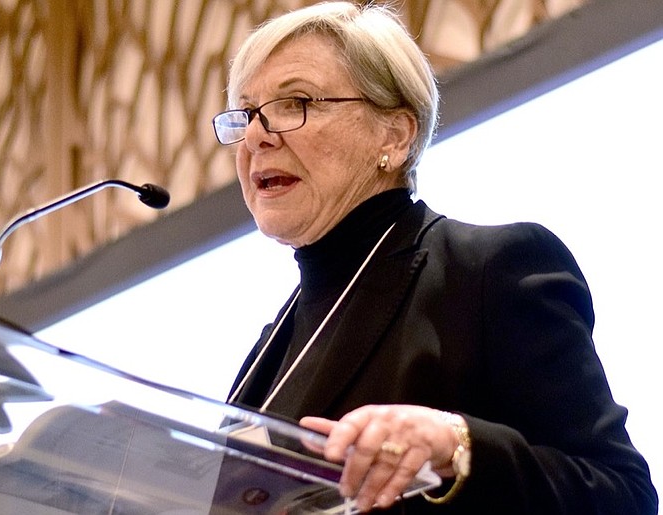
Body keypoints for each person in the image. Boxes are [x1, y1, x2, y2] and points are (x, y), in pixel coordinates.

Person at [210, 2, 658, 514]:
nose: (255, 136)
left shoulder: (490, 270)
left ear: (395, 135)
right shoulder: (278, 338)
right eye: (245, 113)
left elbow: (625, 496)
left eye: (294, 103)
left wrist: (456, 446)